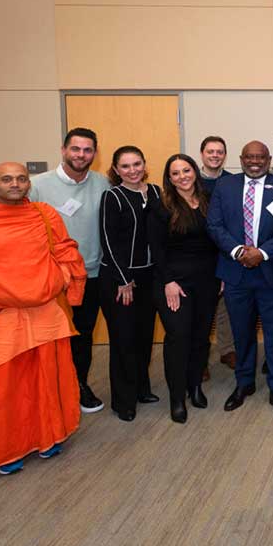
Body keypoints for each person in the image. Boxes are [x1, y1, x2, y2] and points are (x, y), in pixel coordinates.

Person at [0, 162, 86, 474]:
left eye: (21, 179)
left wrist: (61, 278)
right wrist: (16, 290)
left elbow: (65, 251)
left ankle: (48, 436)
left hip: (43, 312)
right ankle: (6, 450)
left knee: (47, 379)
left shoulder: (43, 215)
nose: (15, 184)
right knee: (2, 389)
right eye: (7, 179)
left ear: (29, 183)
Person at [207, 141, 273, 419]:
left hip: (272, 272)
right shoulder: (225, 187)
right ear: (241, 159)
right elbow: (214, 225)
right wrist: (238, 252)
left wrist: (262, 253)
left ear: (269, 159)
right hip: (236, 273)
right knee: (242, 333)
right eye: (250, 157)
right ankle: (244, 384)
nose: (255, 161)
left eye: (261, 157)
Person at [29, 127, 111, 413]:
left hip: (94, 275)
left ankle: (80, 386)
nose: (81, 155)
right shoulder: (38, 186)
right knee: (51, 337)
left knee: (83, 335)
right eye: (75, 149)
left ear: (95, 154)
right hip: (55, 279)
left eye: (88, 150)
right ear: (63, 150)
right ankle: (50, 392)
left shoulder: (103, 183)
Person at [148, 154, 219, 423]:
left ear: (194, 172)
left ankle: (195, 387)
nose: (182, 177)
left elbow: (217, 240)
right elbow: (157, 249)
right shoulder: (160, 206)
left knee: (201, 338)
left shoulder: (209, 201)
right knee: (179, 338)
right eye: (175, 173)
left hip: (207, 280)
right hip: (174, 284)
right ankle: (177, 398)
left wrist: (220, 274)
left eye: (186, 170)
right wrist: (168, 281)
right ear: (169, 178)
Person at [99, 146, 161, 421]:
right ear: (115, 170)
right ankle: (123, 401)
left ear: (145, 163)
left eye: (137, 164)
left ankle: (141, 389)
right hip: (120, 279)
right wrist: (123, 279)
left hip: (150, 277)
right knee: (124, 340)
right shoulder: (113, 197)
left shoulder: (157, 192)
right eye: (125, 166)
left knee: (145, 336)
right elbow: (108, 241)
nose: (133, 170)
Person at [197, 135, 235, 375]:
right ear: (202, 154)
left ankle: (227, 350)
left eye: (219, 152)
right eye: (210, 151)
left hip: (227, 251)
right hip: (199, 253)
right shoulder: (191, 180)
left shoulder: (232, 181)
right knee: (201, 308)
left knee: (226, 306)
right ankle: (199, 358)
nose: (215, 155)